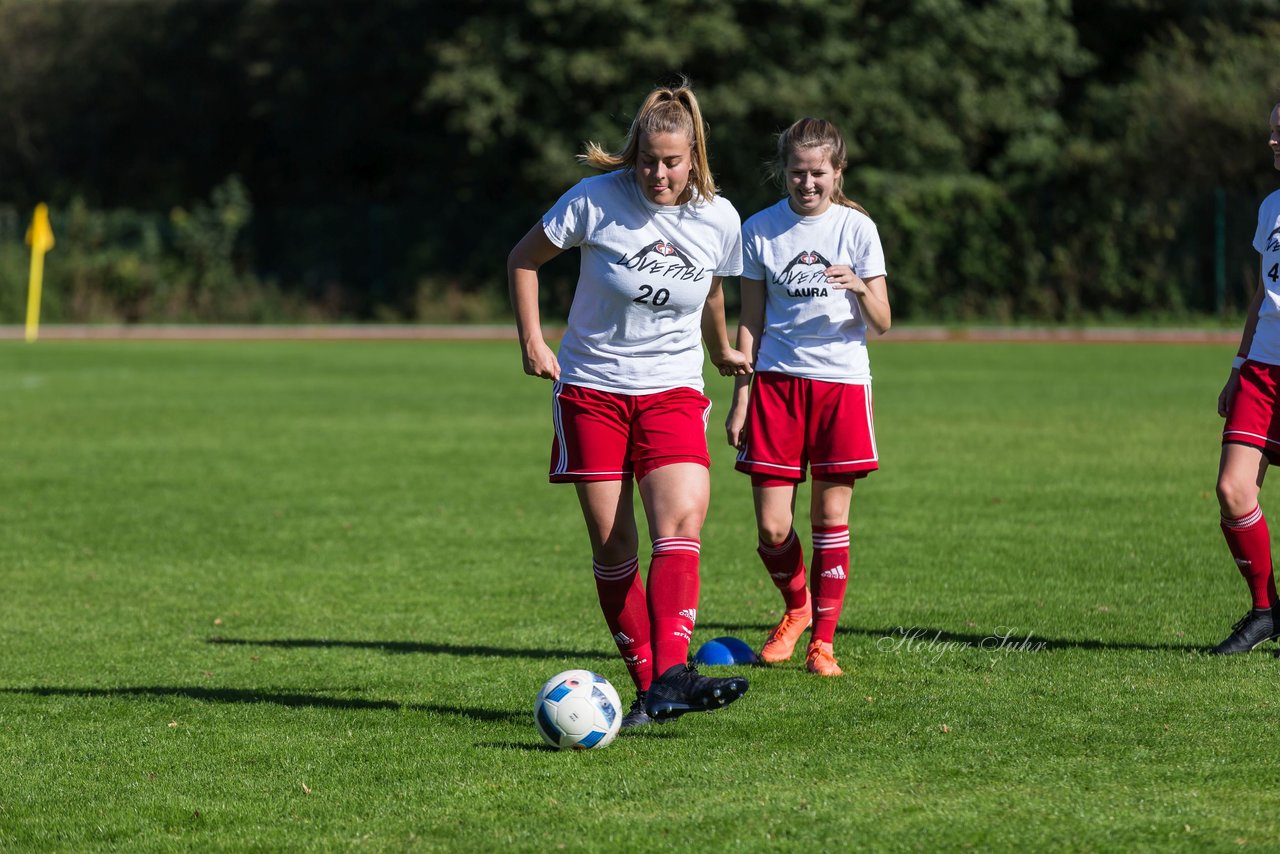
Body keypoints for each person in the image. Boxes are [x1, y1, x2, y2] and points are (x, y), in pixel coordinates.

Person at [507, 81, 752, 726]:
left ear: (693, 156)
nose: (659, 173)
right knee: (615, 546)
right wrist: (533, 339)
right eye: (648, 160)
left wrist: (721, 349)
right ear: (633, 154)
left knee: (681, 523)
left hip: (672, 389)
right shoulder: (595, 200)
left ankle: (671, 676)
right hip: (592, 389)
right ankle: (653, 688)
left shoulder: (718, 217)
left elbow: (711, 289)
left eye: (672, 162)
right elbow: (523, 259)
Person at [725, 117, 891, 677]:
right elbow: (751, 319)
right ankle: (796, 609)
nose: (807, 183)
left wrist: (860, 287)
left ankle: (822, 640)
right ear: (785, 172)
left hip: (841, 383)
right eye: (797, 172)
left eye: (818, 172)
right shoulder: (760, 230)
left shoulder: (857, 230)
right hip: (776, 383)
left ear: (837, 171)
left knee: (829, 513)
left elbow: (884, 322)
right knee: (772, 527)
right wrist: (741, 397)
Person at [1212, 101, 1280, 655]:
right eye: (1273, 133)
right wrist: (1237, 367)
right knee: (1233, 492)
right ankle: (1266, 612)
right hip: (1261, 370)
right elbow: (1262, 294)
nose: (1273, 142)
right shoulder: (1271, 206)